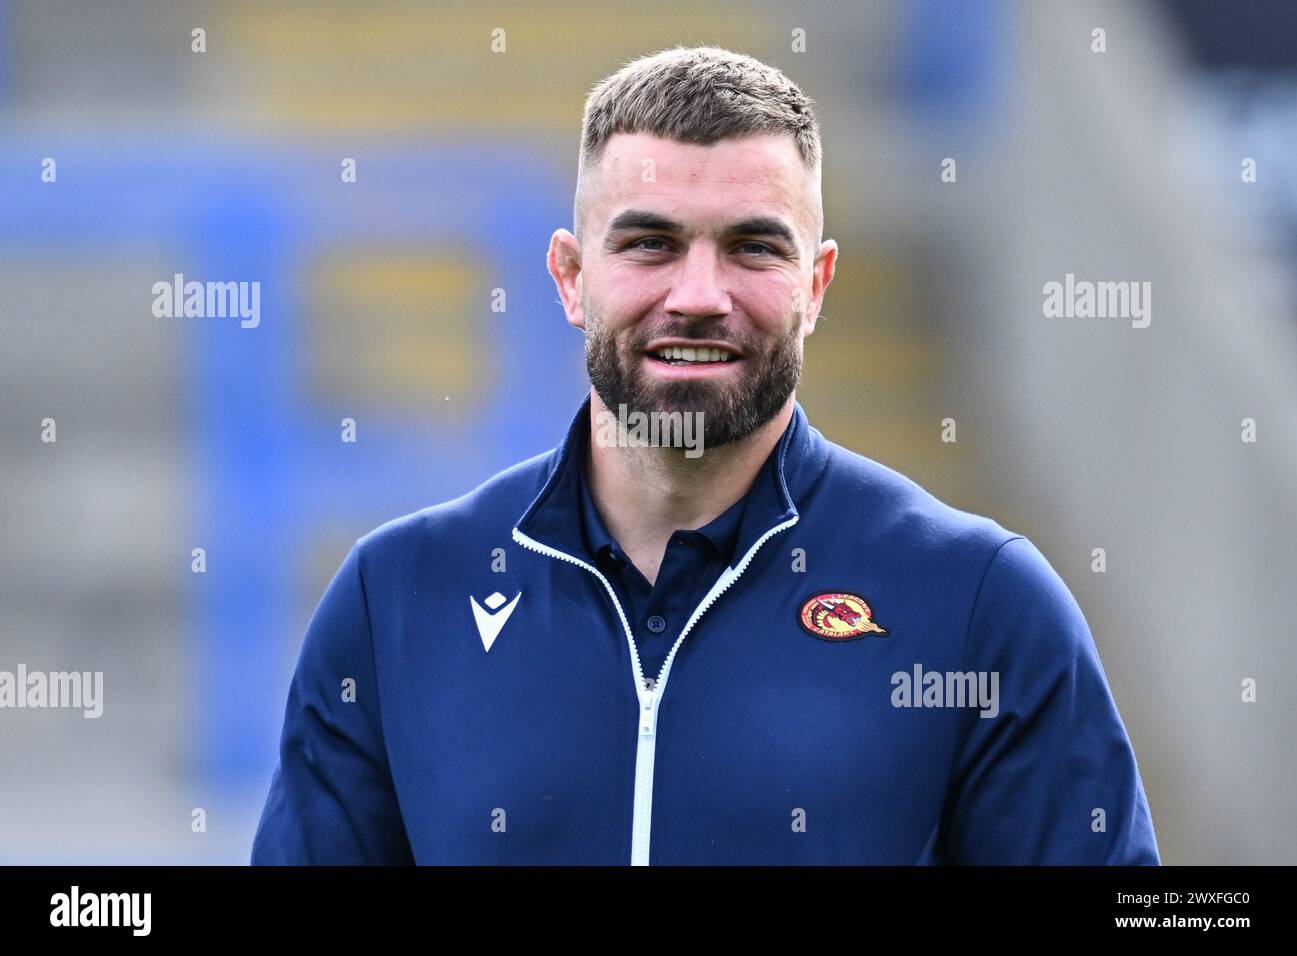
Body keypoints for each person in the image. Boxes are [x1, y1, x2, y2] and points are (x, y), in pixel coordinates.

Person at [251, 46, 1160, 865]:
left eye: (752, 247)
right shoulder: (399, 596)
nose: (698, 295)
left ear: (816, 284)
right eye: (650, 243)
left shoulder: (979, 602)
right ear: (571, 278)